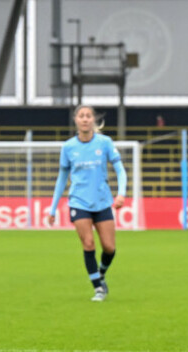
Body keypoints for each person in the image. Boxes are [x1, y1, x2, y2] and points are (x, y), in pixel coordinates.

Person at [47, 105, 127, 302]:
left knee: (109, 248)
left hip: (102, 201)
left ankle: (100, 273)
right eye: (81, 116)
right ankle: (98, 288)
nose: (84, 119)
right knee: (88, 243)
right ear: (76, 120)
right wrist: (53, 207)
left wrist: (121, 194)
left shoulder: (105, 143)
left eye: (88, 116)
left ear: (93, 120)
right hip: (78, 202)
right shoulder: (68, 147)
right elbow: (61, 178)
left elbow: (120, 170)